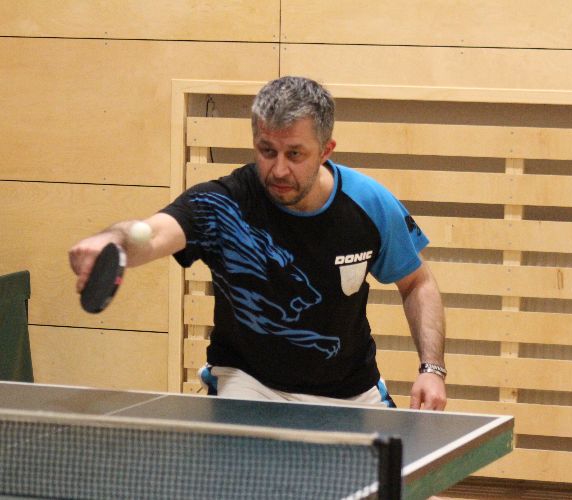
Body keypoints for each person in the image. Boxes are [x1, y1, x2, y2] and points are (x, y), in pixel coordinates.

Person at [69, 76, 447, 410]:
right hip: (251, 385)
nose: (279, 169)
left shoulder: (368, 204)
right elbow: (152, 234)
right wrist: (113, 240)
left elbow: (417, 283)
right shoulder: (224, 204)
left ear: (325, 150)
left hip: (350, 391)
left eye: (294, 154)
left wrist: (432, 369)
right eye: (267, 151)